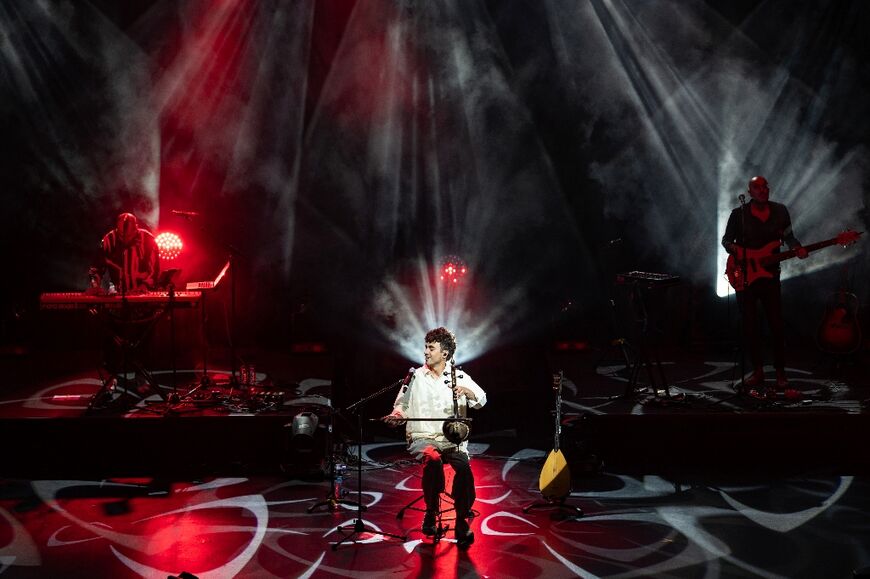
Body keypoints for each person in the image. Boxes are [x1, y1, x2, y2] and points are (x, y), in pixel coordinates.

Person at [385, 327, 487, 548]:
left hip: (452, 441)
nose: (426, 352)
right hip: (423, 437)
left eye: (431, 348)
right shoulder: (415, 376)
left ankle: (461, 521)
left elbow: (481, 399)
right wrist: (397, 416)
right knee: (432, 459)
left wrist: (468, 393)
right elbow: (400, 407)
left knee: (464, 468)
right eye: (426, 347)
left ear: (445, 353)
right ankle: (431, 511)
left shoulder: (460, 376)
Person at [721, 176, 807, 396]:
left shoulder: (780, 211)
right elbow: (726, 241)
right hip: (746, 277)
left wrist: (797, 248)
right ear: (749, 192)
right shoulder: (738, 214)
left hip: (770, 277)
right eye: (757, 187)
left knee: (777, 325)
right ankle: (758, 370)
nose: (763, 190)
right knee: (750, 326)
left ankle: (780, 374)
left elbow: (789, 237)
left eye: (766, 186)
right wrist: (737, 251)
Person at [88, 212, 160, 295]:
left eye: (129, 236)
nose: (126, 240)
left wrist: (145, 285)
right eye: (122, 236)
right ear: (117, 229)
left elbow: (154, 270)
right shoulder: (108, 241)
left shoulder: (148, 239)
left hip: (144, 293)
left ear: (136, 228)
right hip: (116, 293)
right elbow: (95, 268)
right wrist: (95, 286)